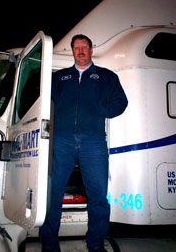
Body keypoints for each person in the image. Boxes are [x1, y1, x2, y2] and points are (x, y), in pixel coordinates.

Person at [39, 34, 128, 252]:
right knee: (53, 193)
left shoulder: (106, 77)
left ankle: (96, 244)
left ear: (91, 50)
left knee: (98, 195)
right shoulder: (59, 78)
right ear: (72, 51)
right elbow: (42, 103)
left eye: (84, 47)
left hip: (94, 141)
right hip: (62, 140)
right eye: (76, 48)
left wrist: (101, 111)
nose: (80, 51)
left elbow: (121, 101)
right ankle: (49, 245)